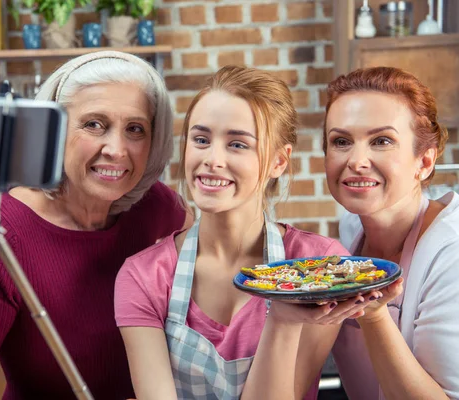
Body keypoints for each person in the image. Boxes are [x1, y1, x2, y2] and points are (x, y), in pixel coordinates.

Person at [0, 51, 191, 400]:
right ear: (53, 131)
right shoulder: (3, 235)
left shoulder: (159, 209)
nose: (116, 149)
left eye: (135, 129)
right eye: (94, 124)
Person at [114, 66, 375, 400]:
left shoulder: (321, 265)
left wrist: (283, 318)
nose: (212, 159)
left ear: (278, 162)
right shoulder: (144, 276)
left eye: (237, 144)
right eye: (201, 139)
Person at [324, 67, 459, 399]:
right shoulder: (352, 228)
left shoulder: (451, 251)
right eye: (341, 141)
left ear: (424, 162)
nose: (356, 160)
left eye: (381, 141)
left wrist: (373, 315)